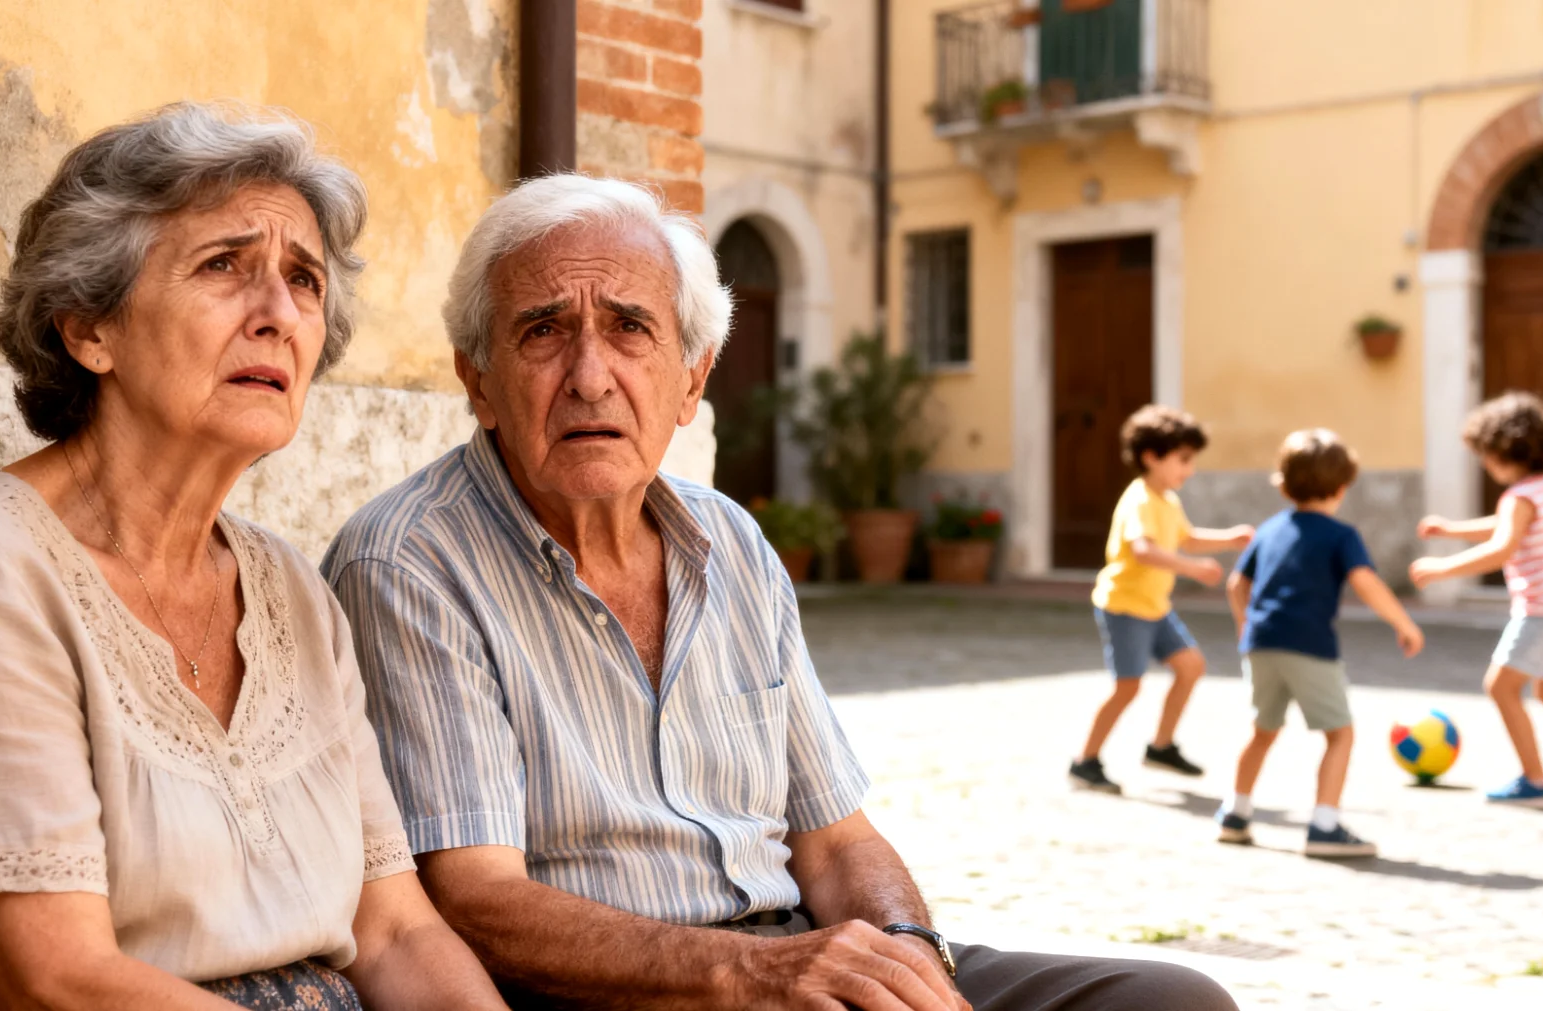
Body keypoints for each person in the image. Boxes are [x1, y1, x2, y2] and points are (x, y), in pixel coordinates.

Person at [323, 174, 1238, 1011]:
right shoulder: (409, 561)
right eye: (543, 330)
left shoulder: (734, 542)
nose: (591, 375)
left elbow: (837, 841)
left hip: (799, 962)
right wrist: (747, 971)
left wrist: (911, 957)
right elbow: (477, 901)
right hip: (626, 991)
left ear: (692, 381)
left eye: (632, 329)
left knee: (1172, 1002)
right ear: (477, 380)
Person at [0, 104, 507, 1011]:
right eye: (225, 265)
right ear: (87, 327)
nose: (279, 315)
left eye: (303, 280)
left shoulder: (292, 590)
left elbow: (396, 929)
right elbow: (55, 979)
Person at [1217, 430, 1424, 857]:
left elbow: (1237, 584)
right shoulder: (1340, 535)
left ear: (1284, 482)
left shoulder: (1270, 529)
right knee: (1339, 734)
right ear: (1342, 486)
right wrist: (1403, 622)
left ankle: (1234, 814)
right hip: (1309, 644)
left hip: (1261, 643)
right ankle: (1324, 825)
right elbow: (1365, 581)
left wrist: (1245, 628)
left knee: (1262, 731)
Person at [1411, 392, 1543, 807]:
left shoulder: (1520, 498)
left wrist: (1440, 569)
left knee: (1501, 687)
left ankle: (1535, 781)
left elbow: (1502, 548)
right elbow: (1505, 527)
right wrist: (1450, 530)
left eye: (1484, 454)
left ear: (1503, 450)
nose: (1484, 463)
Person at [1068, 405, 1255, 794]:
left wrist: (1229, 538)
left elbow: (1184, 537)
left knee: (1191, 667)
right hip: (1125, 607)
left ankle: (1161, 746)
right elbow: (1143, 550)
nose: (1189, 469)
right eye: (1183, 459)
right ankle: (1085, 762)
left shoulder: (1168, 500)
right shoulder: (1139, 500)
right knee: (1128, 687)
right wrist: (1192, 569)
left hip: (1155, 607)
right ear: (1151, 457)